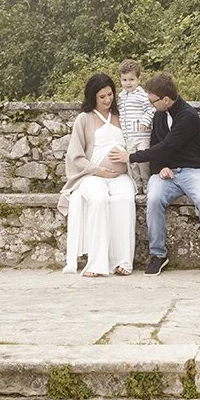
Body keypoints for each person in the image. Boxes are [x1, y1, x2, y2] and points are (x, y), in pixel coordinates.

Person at [111, 72, 200, 278]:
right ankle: (158, 255)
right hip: (167, 173)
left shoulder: (188, 116)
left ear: (165, 99)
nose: (150, 105)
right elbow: (157, 146)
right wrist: (160, 167)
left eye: (153, 101)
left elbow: (168, 145)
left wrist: (131, 156)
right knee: (153, 199)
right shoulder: (159, 114)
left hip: (193, 170)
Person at [57, 72, 136, 277]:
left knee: (125, 200)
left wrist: (127, 156)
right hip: (92, 176)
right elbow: (75, 156)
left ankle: (123, 261)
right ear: (92, 97)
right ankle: (96, 263)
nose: (108, 100)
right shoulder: (84, 119)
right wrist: (98, 170)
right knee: (99, 200)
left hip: (120, 176)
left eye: (110, 94)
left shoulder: (122, 116)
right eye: (102, 97)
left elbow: (135, 142)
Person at [117, 59, 154, 195]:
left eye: (131, 79)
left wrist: (145, 121)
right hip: (128, 136)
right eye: (125, 80)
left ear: (139, 79)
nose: (128, 83)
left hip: (142, 135)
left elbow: (151, 109)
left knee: (143, 161)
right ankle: (136, 183)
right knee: (131, 162)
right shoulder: (121, 97)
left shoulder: (142, 96)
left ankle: (146, 182)